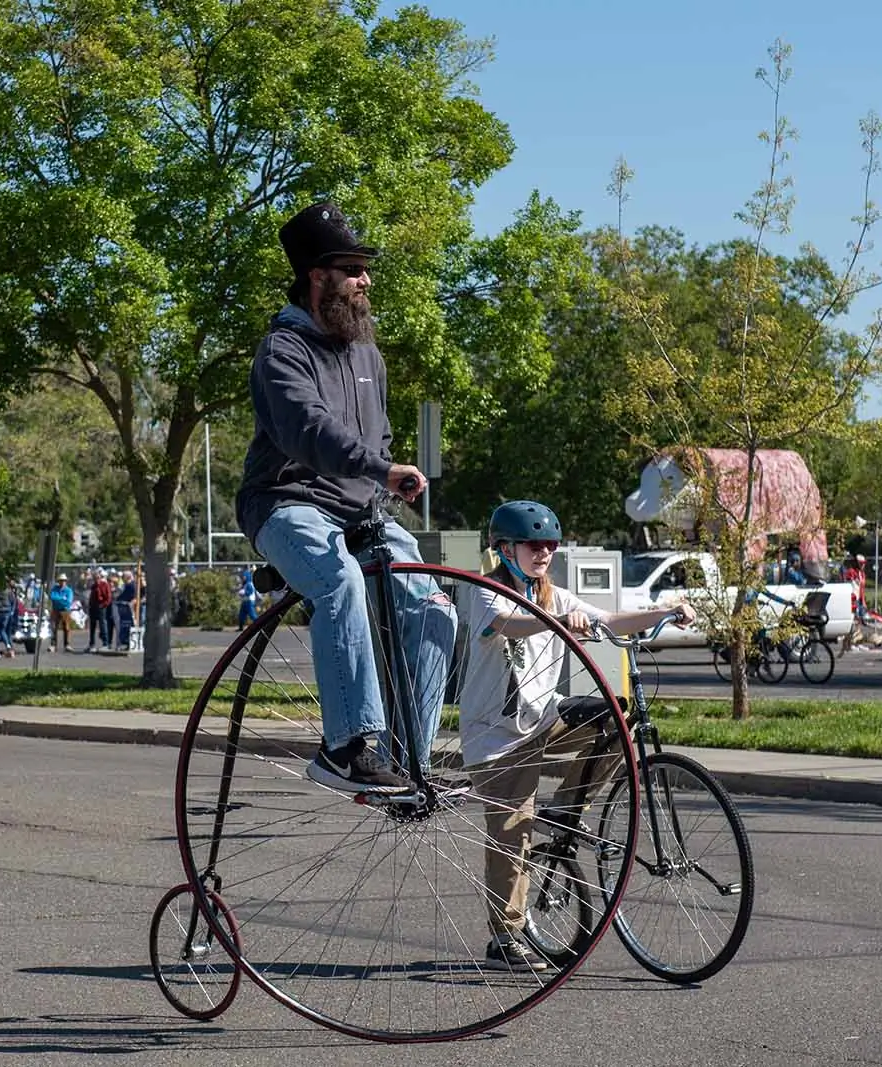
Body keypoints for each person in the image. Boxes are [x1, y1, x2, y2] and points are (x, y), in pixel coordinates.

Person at [235, 200, 452, 794]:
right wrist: (381, 468)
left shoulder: (367, 355)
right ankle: (348, 748)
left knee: (434, 605)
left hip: (359, 513)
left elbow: (375, 434)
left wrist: (381, 480)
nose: (366, 280)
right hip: (286, 502)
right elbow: (310, 433)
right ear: (317, 276)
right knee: (340, 581)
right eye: (354, 267)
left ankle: (408, 764)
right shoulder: (282, 353)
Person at [461, 501, 697, 971]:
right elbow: (509, 624)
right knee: (512, 836)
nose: (544, 552)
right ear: (505, 549)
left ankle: (565, 811)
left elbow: (609, 619)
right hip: (497, 739)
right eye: (534, 545)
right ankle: (504, 941)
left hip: (543, 722)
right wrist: (554, 622)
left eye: (551, 544)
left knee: (614, 720)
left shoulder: (555, 596)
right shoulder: (486, 591)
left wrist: (662, 612)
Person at [48, 574, 74, 652]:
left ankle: (67, 645)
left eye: (64, 581)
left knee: (66, 628)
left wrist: (59, 600)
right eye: (61, 580)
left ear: (66, 581)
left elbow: (68, 601)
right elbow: (52, 597)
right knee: (53, 628)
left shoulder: (68, 590)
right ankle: (53, 645)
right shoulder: (54, 589)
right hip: (56, 610)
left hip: (65, 610)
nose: (62, 582)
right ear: (58, 581)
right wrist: (62, 599)